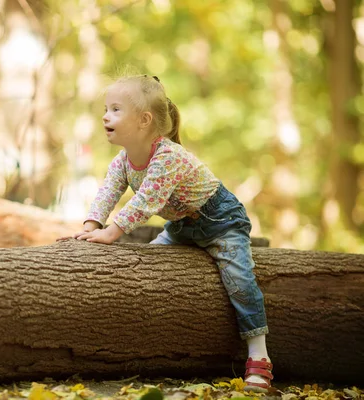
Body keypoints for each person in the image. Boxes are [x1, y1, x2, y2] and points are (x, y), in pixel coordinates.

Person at [70, 74, 273, 392]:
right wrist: (90, 226)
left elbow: (146, 201)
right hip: (182, 226)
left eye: (115, 109)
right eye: (106, 108)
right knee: (149, 265)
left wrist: (111, 233)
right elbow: (107, 192)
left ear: (144, 120)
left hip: (221, 221)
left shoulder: (168, 157)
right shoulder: (123, 161)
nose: (105, 116)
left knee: (240, 281)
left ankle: (259, 356)